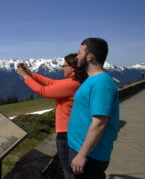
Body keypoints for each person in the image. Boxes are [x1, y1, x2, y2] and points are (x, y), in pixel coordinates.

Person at [16, 53, 87, 179]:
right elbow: (51, 82)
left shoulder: (72, 84)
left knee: (68, 170)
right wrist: (31, 74)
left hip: (66, 134)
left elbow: (43, 91)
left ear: (73, 68)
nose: (62, 68)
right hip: (71, 131)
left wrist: (24, 76)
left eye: (64, 65)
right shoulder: (76, 82)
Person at [67, 38, 119, 179]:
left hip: (90, 155)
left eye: (80, 53)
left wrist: (82, 154)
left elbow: (100, 122)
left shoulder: (101, 83)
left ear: (90, 56)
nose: (77, 57)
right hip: (80, 148)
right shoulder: (92, 80)